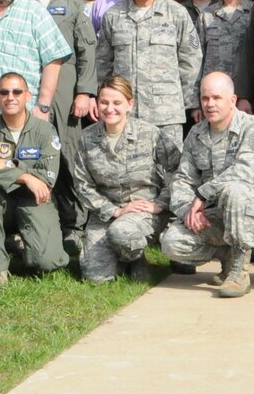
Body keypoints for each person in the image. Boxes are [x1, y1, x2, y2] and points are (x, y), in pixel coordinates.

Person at [158, 71, 254, 298]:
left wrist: (202, 195)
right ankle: (227, 255)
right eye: (205, 98)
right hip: (215, 215)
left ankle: (240, 271)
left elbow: (246, 170)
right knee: (171, 243)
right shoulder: (196, 133)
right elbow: (183, 179)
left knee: (236, 190)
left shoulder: (252, 126)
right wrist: (187, 213)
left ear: (232, 100)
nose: (209, 104)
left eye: (216, 98)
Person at [68, 76, 181, 285]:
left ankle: (135, 257)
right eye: (104, 102)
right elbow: (82, 184)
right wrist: (115, 211)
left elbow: (179, 169)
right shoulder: (87, 138)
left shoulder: (150, 134)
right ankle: (122, 257)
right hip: (106, 213)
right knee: (95, 278)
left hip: (142, 212)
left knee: (123, 233)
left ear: (130, 104)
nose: (110, 109)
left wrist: (161, 203)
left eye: (117, 103)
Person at [93, 0, 201, 146]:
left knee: (167, 173)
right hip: (124, 115)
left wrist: (180, 102)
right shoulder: (114, 16)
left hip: (166, 118)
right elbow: (102, 63)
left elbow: (191, 61)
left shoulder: (177, 14)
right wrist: (109, 102)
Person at [0, 72, 67, 286]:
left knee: (47, 263)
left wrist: (7, 164)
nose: (10, 97)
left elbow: (46, 178)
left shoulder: (45, 131)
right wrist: (25, 175)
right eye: (4, 92)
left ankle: (20, 245)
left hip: (33, 200)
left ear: (28, 95)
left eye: (17, 92)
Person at [26, 0, 98, 128]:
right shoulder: (21, 3)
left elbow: (87, 50)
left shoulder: (73, 3)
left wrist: (84, 92)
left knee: (67, 147)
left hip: (66, 88)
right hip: (28, 88)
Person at [197, 0, 253, 107]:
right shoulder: (207, 16)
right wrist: (196, 102)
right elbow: (197, 60)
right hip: (213, 98)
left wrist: (246, 95)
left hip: (245, 98)